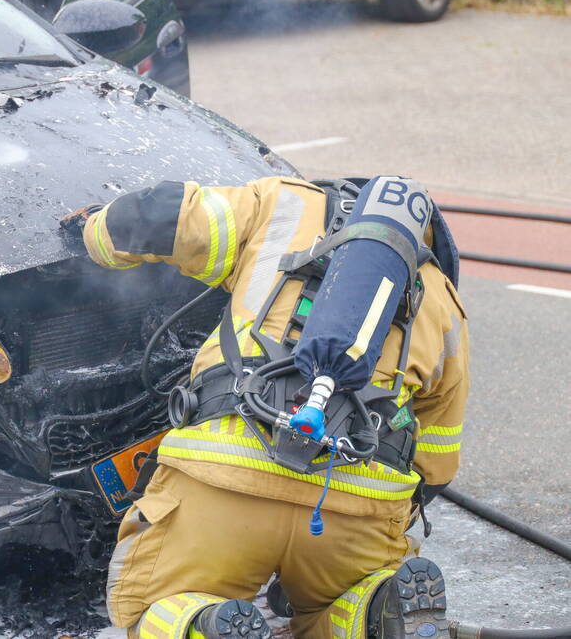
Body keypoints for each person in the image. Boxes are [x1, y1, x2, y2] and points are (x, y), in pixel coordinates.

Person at [63, 176, 468, 639]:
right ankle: (374, 613)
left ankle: (202, 625)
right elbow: (436, 458)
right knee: (345, 599)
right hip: (355, 495)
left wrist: (95, 231)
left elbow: (168, 215)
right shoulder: (442, 297)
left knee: (153, 606)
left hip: (223, 472)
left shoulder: (283, 203)